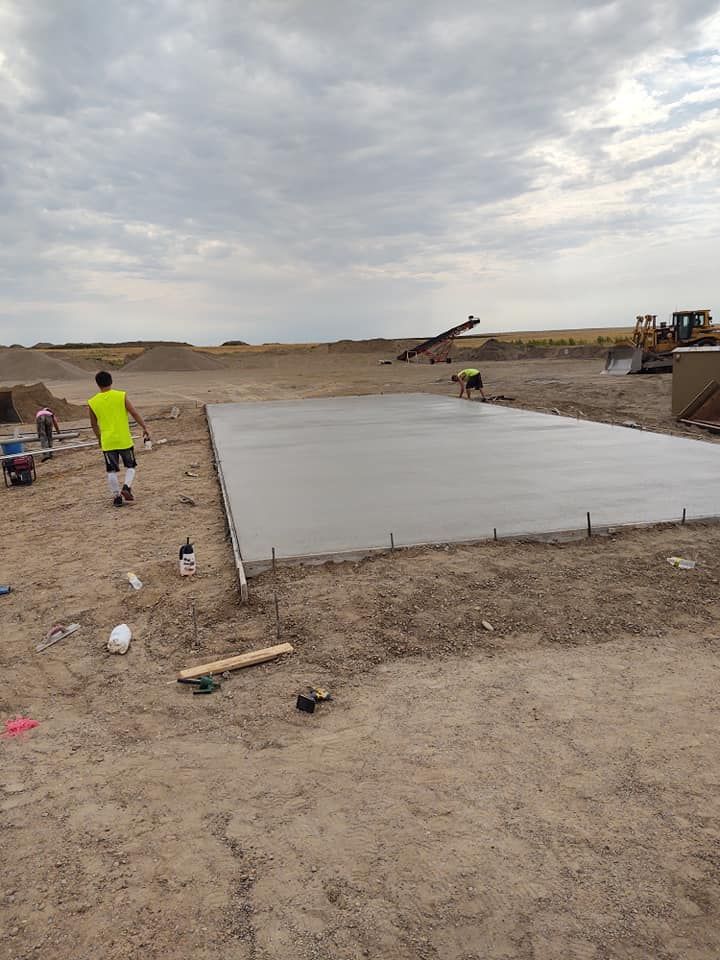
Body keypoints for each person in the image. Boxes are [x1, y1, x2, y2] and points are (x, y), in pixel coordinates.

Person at [88, 371, 151, 508]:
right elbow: (134, 412)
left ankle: (116, 496)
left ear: (97, 384)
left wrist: (99, 438)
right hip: (123, 439)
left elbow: (94, 424)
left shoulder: (92, 402)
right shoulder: (121, 396)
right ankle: (127, 487)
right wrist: (144, 427)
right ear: (111, 382)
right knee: (131, 466)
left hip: (107, 441)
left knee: (111, 470)